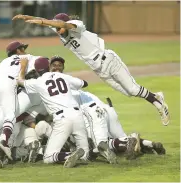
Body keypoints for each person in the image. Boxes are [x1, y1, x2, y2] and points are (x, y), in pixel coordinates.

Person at [12, 13, 170, 126]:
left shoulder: (77, 26)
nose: (57, 29)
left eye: (57, 25)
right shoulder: (60, 30)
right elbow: (54, 25)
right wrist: (28, 17)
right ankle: (156, 96)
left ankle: (158, 102)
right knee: (128, 93)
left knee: (133, 89)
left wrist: (44, 22)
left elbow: (62, 24)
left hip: (107, 60)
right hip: (99, 69)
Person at [17, 57, 89, 168]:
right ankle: (79, 153)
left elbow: (20, 81)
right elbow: (84, 83)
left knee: (48, 157)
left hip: (62, 119)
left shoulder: (38, 82)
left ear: (37, 70)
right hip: (77, 115)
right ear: (49, 66)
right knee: (84, 156)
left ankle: (68, 155)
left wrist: (23, 66)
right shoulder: (62, 76)